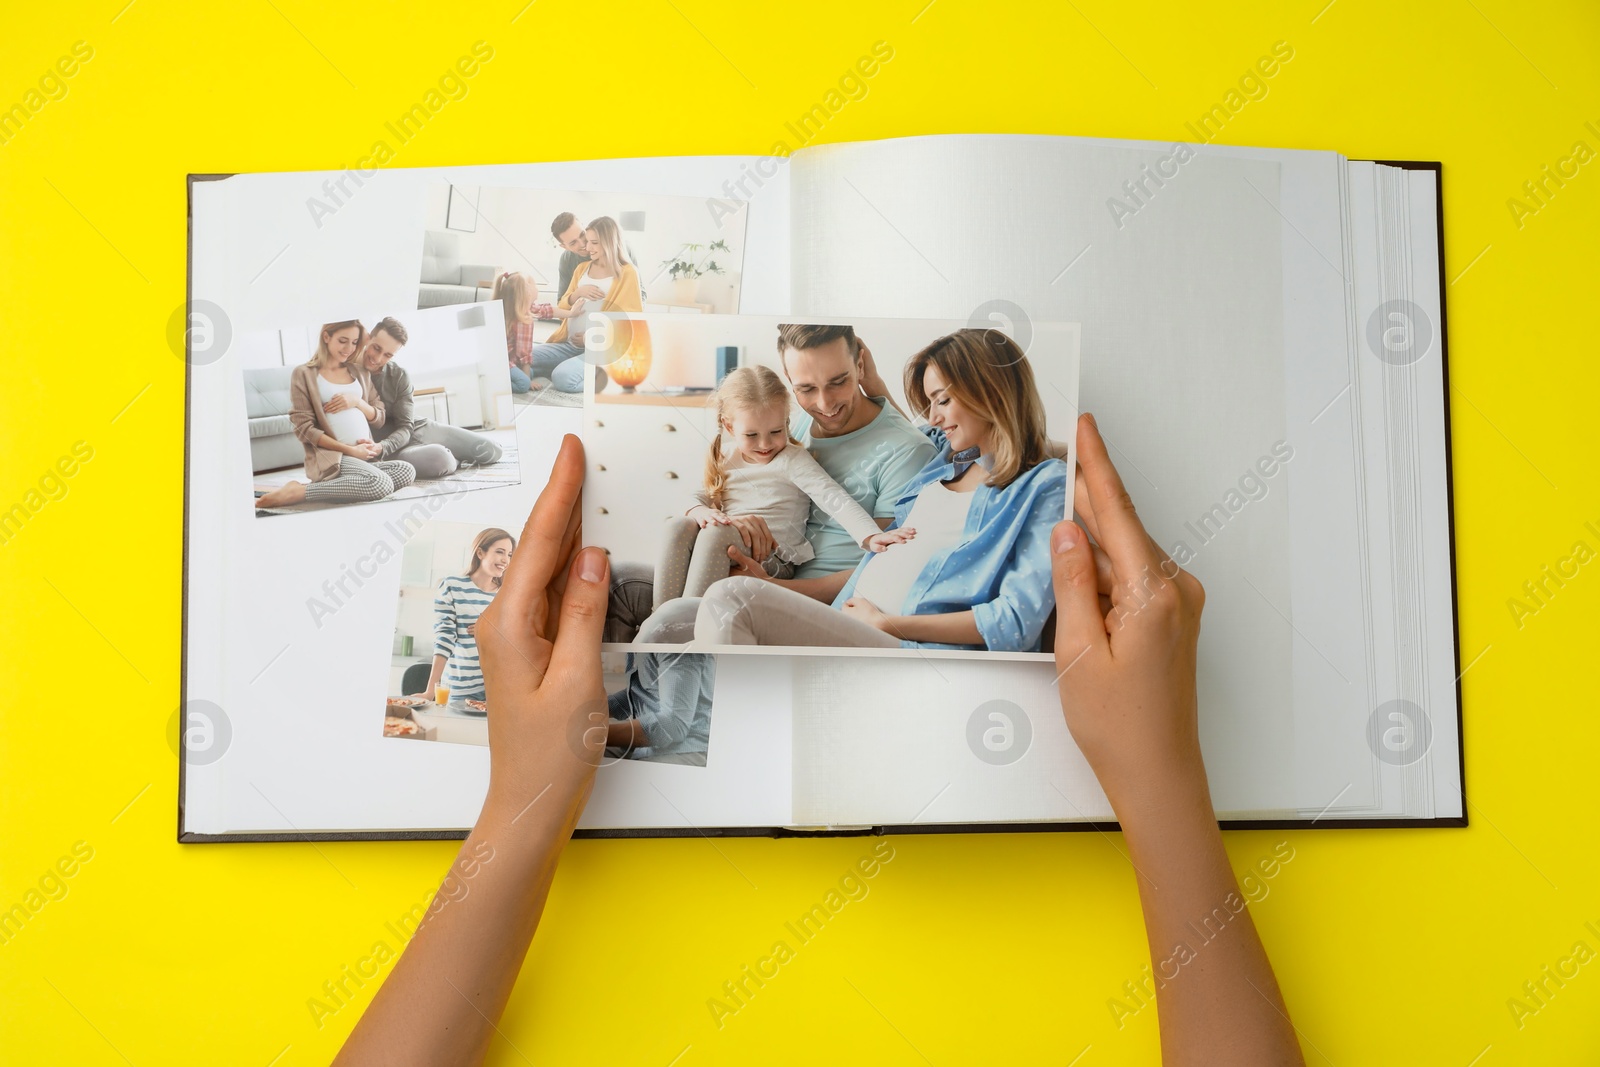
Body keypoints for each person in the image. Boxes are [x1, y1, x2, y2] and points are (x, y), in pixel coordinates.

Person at [332, 428, 1305, 1065]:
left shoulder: (1019, 495)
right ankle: (653, 689)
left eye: (953, 413)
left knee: (708, 600)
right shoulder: (931, 490)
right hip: (852, 615)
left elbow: (983, 609)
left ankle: (657, 688)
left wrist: (519, 805)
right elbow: (851, 581)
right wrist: (1165, 779)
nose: (943, 432)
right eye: (932, 416)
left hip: (896, 639)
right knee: (689, 596)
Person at [692, 327, 1067, 652]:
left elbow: (1015, 621)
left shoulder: (1043, 485)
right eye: (930, 402)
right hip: (847, 617)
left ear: (992, 392)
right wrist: (872, 386)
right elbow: (914, 434)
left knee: (730, 599)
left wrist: (891, 625)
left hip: (904, 642)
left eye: (944, 400)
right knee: (679, 614)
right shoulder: (945, 462)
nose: (933, 416)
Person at [655, 365, 911, 603]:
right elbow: (694, 497)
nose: (765, 445)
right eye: (752, 435)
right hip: (730, 543)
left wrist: (870, 536)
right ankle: (663, 619)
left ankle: (689, 623)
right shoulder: (725, 456)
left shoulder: (791, 459)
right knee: (677, 525)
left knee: (716, 533)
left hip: (777, 558)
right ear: (729, 426)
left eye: (776, 432)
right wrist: (699, 510)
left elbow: (833, 498)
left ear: (787, 421)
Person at [255, 320, 416, 510]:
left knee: (406, 470)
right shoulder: (304, 374)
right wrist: (351, 450)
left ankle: (330, 486)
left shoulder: (360, 372)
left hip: (365, 455)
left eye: (354, 342)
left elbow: (379, 417)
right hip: (336, 457)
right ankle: (300, 493)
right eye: (342, 340)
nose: (349, 348)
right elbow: (303, 429)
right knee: (380, 484)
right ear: (326, 337)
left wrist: (358, 402)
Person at [359, 316, 504, 476]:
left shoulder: (398, 375)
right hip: (396, 450)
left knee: (492, 451)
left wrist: (383, 446)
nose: (378, 359)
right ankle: (454, 457)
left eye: (387, 355)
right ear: (368, 339)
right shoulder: (345, 374)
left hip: (419, 429)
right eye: (376, 348)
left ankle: (452, 453)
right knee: (442, 460)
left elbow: (406, 427)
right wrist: (382, 447)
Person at [525, 216, 641, 394]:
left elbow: (628, 319)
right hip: (569, 344)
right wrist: (577, 293)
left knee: (563, 378)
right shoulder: (580, 268)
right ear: (565, 246)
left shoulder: (627, 272)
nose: (586, 246)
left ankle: (610, 376)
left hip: (600, 348)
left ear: (609, 242)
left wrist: (590, 336)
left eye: (592, 242)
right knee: (523, 357)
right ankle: (569, 367)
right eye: (585, 242)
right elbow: (563, 304)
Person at [412, 528, 515, 705]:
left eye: (510, 554)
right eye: (500, 552)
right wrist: (430, 690)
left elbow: (514, 641)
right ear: (480, 552)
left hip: (495, 690)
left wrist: (491, 631)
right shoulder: (452, 586)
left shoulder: (506, 594)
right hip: (458, 689)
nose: (506, 560)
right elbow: (444, 637)